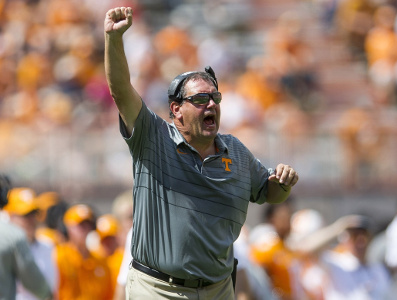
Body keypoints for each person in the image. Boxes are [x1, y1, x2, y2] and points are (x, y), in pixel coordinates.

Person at [104, 6, 299, 299]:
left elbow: (268, 193)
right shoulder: (153, 138)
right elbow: (120, 89)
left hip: (218, 290)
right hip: (157, 289)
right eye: (199, 99)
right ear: (176, 110)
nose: (211, 105)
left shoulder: (236, 151)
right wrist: (114, 39)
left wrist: (282, 185)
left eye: (215, 98)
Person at [0, 176, 53, 300]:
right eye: (25, 215)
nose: (32, 220)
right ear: (9, 214)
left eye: (34, 214)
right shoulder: (13, 237)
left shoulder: (48, 245)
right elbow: (39, 287)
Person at [54, 204, 113, 300]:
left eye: (89, 224)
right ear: (67, 227)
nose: (86, 228)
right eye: (80, 224)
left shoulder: (101, 261)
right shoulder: (58, 256)